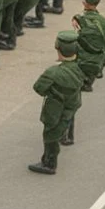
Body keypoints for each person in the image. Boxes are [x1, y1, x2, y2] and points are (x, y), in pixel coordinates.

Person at [28, 32, 86, 175]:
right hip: (73, 102)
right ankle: (67, 136)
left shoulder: (53, 72)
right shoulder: (79, 67)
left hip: (55, 108)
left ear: (58, 49)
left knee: (50, 134)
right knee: (68, 117)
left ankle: (49, 163)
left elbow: (38, 88)